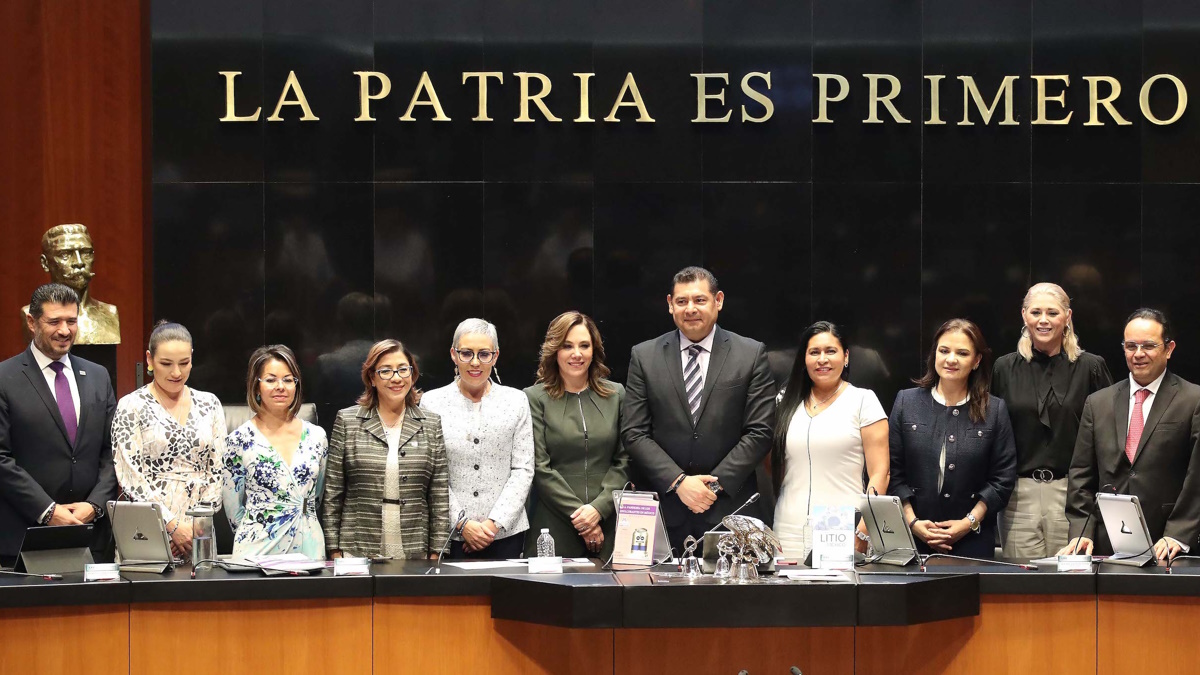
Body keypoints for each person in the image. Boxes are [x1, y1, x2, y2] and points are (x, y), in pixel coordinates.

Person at [621, 266, 776, 552]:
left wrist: (711, 487)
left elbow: (760, 432)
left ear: (718, 300)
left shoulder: (750, 354)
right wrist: (679, 483)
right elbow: (634, 433)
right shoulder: (644, 356)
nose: (690, 308)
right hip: (664, 511)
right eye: (682, 301)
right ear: (670, 304)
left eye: (699, 300)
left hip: (731, 512)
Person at [1060, 309, 1200, 561]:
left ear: (1169, 349)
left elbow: (1197, 476)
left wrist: (1179, 533)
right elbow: (1081, 474)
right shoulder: (1098, 403)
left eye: (1149, 346)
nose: (1138, 354)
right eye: (1131, 346)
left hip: (1168, 543)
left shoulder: (1193, 400)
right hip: (1105, 543)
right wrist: (1082, 531)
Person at [991, 283, 1112, 559]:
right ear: (1024, 315)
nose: (1043, 320)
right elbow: (993, 433)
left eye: (1052, 313)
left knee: (1071, 580)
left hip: (1072, 495)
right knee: (1021, 581)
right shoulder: (1004, 368)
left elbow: (1107, 436)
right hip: (1018, 497)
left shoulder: (1091, 367)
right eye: (1036, 312)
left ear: (1067, 317)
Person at [0, 283, 118, 565]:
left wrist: (94, 505)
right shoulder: (5, 378)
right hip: (24, 537)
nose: (65, 331)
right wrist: (47, 510)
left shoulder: (98, 376)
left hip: (91, 537)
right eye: (54, 322)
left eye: (71, 321)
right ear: (32, 322)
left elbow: (113, 451)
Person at [889, 318, 1016, 559]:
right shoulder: (907, 402)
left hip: (973, 539)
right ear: (934, 354)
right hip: (910, 538)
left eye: (962, 353)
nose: (951, 359)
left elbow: (1002, 480)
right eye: (944, 350)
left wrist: (968, 523)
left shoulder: (994, 410)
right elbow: (893, 472)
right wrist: (913, 522)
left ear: (976, 360)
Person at [320, 339, 450, 559]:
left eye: (403, 369)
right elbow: (333, 492)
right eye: (386, 371)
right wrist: (333, 550)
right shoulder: (348, 421)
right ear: (372, 377)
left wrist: (437, 551)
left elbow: (438, 494)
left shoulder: (430, 423)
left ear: (412, 374)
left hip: (414, 547)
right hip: (357, 546)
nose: (396, 378)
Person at [771, 321, 889, 560]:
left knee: (835, 585)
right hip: (788, 525)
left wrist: (863, 529)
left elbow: (881, 473)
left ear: (846, 357)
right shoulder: (786, 401)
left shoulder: (863, 400)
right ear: (804, 359)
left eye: (831, 351)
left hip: (840, 524)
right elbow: (774, 465)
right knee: (787, 585)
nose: (822, 359)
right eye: (814, 352)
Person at [421, 319, 534, 559]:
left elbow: (523, 469)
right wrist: (462, 523)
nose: (475, 362)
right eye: (466, 353)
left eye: (484, 354)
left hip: (506, 533)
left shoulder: (516, 401)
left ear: (495, 356)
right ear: (453, 354)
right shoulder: (432, 403)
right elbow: (431, 472)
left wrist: (493, 525)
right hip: (449, 535)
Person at [111, 321, 225, 558]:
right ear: (149, 359)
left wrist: (195, 527)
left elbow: (217, 471)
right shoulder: (131, 405)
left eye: (184, 363)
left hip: (199, 530)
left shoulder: (210, 403)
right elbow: (131, 477)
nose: (176, 373)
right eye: (166, 363)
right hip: (149, 527)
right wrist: (171, 526)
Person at [524, 311, 629, 559]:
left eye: (584, 345)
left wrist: (598, 510)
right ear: (554, 350)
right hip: (554, 524)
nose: (577, 354)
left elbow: (626, 460)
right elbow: (540, 467)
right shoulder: (533, 398)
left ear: (594, 350)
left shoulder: (617, 395)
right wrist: (582, 518)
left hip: (610, 521)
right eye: (567, 346)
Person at [222, 345, 328, 558]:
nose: (280, 387)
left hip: (308, 546)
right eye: (271, 380)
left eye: (288, 380)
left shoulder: (317, 436)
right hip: (257, 549)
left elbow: (317, 496)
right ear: (256, 386)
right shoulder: (238, 440)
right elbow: (233, 511)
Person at [20, 224, 119, 344]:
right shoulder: (31, 315)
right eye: (65, 255)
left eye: (86, 253)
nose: (79, 262)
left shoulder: (110, 313)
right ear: (45, 263)